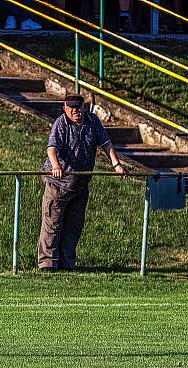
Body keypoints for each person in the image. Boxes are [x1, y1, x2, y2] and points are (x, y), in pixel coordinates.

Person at [38, 93, 125, 271]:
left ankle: (67, 264)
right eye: (73, 109)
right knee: (52, 224)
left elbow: (106, 144)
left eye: (80, 108)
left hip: (80, 184)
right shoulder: (61, 123)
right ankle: (47, 264)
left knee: (73, 227)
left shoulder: (92, 121)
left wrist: (116, 165)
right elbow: (52, 148)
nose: (77, 111)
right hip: (58, 185)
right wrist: (56, 166)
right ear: (65, 109)